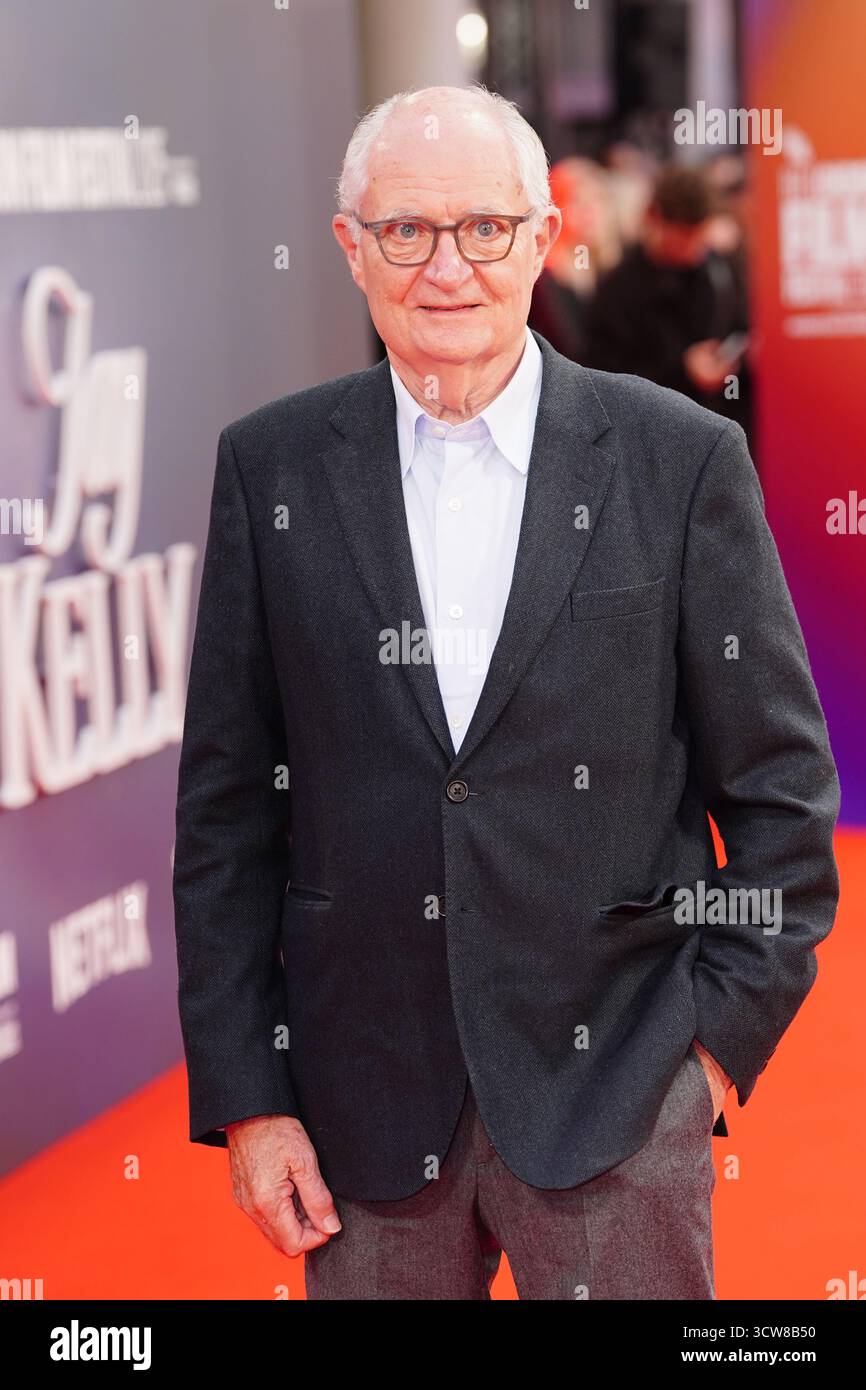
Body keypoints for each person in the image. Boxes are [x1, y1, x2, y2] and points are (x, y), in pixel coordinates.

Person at [172, 85, 840, 1300]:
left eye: (483, 228)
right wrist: (247, 1096)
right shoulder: (266, 468)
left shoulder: (679, 460)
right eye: (405, 231)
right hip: (355, 1113)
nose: (446, 268)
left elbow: (781, 793)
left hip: (617, 1102)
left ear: (541, 237)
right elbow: (225, 814)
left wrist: (707, 1056)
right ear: (350, 248)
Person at [582, 163, 753, 440]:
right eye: (686, 236)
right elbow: (603, 377)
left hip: (720, 427)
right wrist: (682, 370)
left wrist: (733, 358)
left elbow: (741, 327)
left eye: (702, 235)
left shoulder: (719, 270)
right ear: (657, 219)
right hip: (652, 438)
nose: (696, 247)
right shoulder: (619, 289)